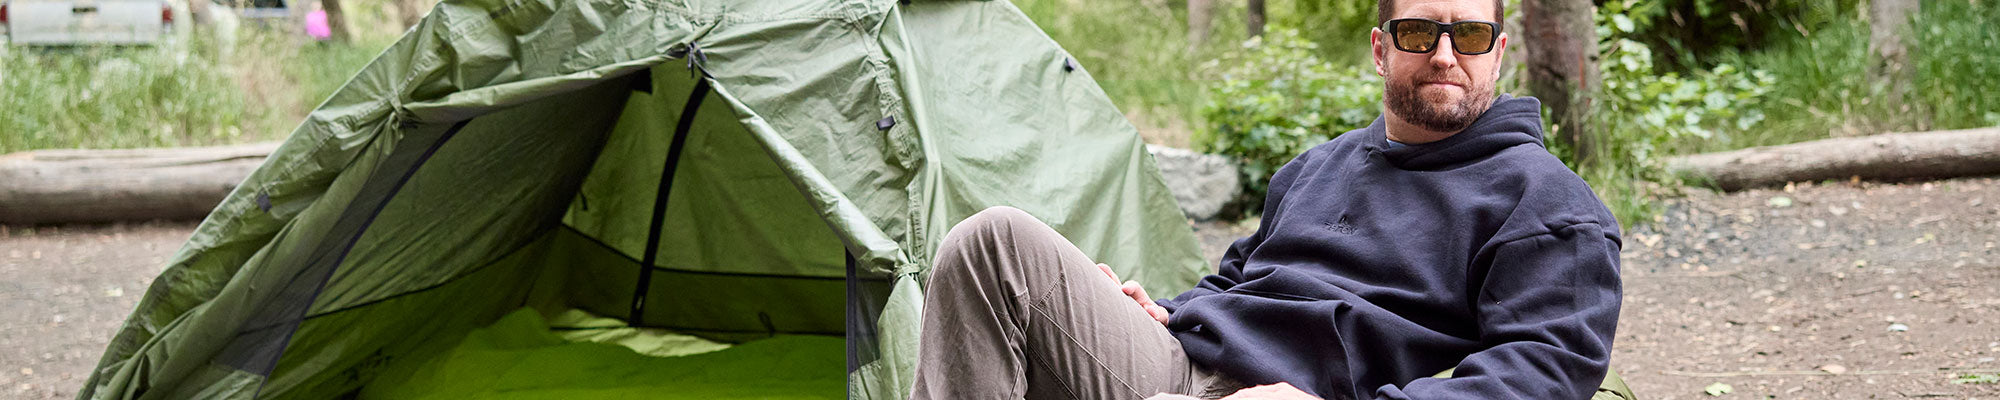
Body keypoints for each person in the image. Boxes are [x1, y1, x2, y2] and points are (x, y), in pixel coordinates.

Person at [905, 0, 1624, 398]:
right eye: (1418, 32)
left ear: (1498, 51)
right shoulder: (1320, 166)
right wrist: (1162, 307)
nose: (1444, 54)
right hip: (1178, 361)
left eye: (1468, 35)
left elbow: (1543, 373)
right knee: (994, 243)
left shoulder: (1546, 203)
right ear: (1381, 49)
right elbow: (1235, 280)